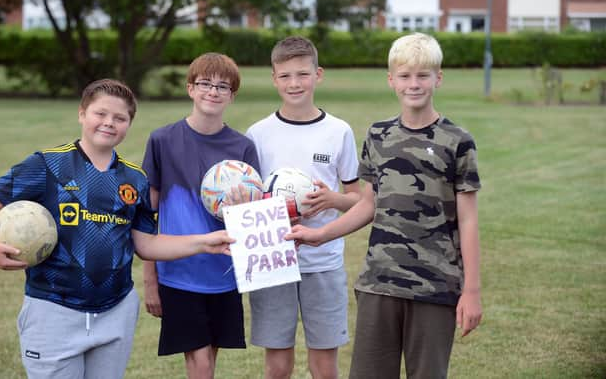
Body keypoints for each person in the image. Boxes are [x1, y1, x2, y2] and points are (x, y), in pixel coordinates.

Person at [0, 78, 234, 379]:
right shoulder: (48, 165)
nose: (109, 123)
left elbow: (146, 244)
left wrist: (203, 242)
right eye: (100, 113)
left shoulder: (134, 180)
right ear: (82, 113)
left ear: (129, 124)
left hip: (115, 311)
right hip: (52, 309)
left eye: (120, 118)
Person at [287, 32, 483, 379]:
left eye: (423, 75)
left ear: (438, 78)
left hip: (435, 287)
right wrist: (322, 234)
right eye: (405, 76)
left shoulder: (458, 141)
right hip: (379, 283)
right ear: (392, 80)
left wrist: (472, 290)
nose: (414, 84)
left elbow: (467, 220)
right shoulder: (378, 135)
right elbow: (369, 204)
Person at [245, 36, 361, 379]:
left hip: (323, 261)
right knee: (277, 365)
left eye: (302, 74)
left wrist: (332, 200)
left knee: (324, 366)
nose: (294, 83)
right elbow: (250, 199)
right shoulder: (257, 134)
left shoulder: (338, 131)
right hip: (272, 260)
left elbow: (358, 200)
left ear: (318, 74)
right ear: (274, 78)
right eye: (285, 76)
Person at [141, 52, 259, 378]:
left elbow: (253, 217)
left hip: (223, 275)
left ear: (232, 96)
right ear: (190, 88)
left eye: (223, 86)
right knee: (200, 361)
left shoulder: (242, 147)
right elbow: (145, 216)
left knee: (209, 359)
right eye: (205, 83)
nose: (213, 91)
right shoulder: (162, 140)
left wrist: (241, 211)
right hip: (178, 273)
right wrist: (150, 280)